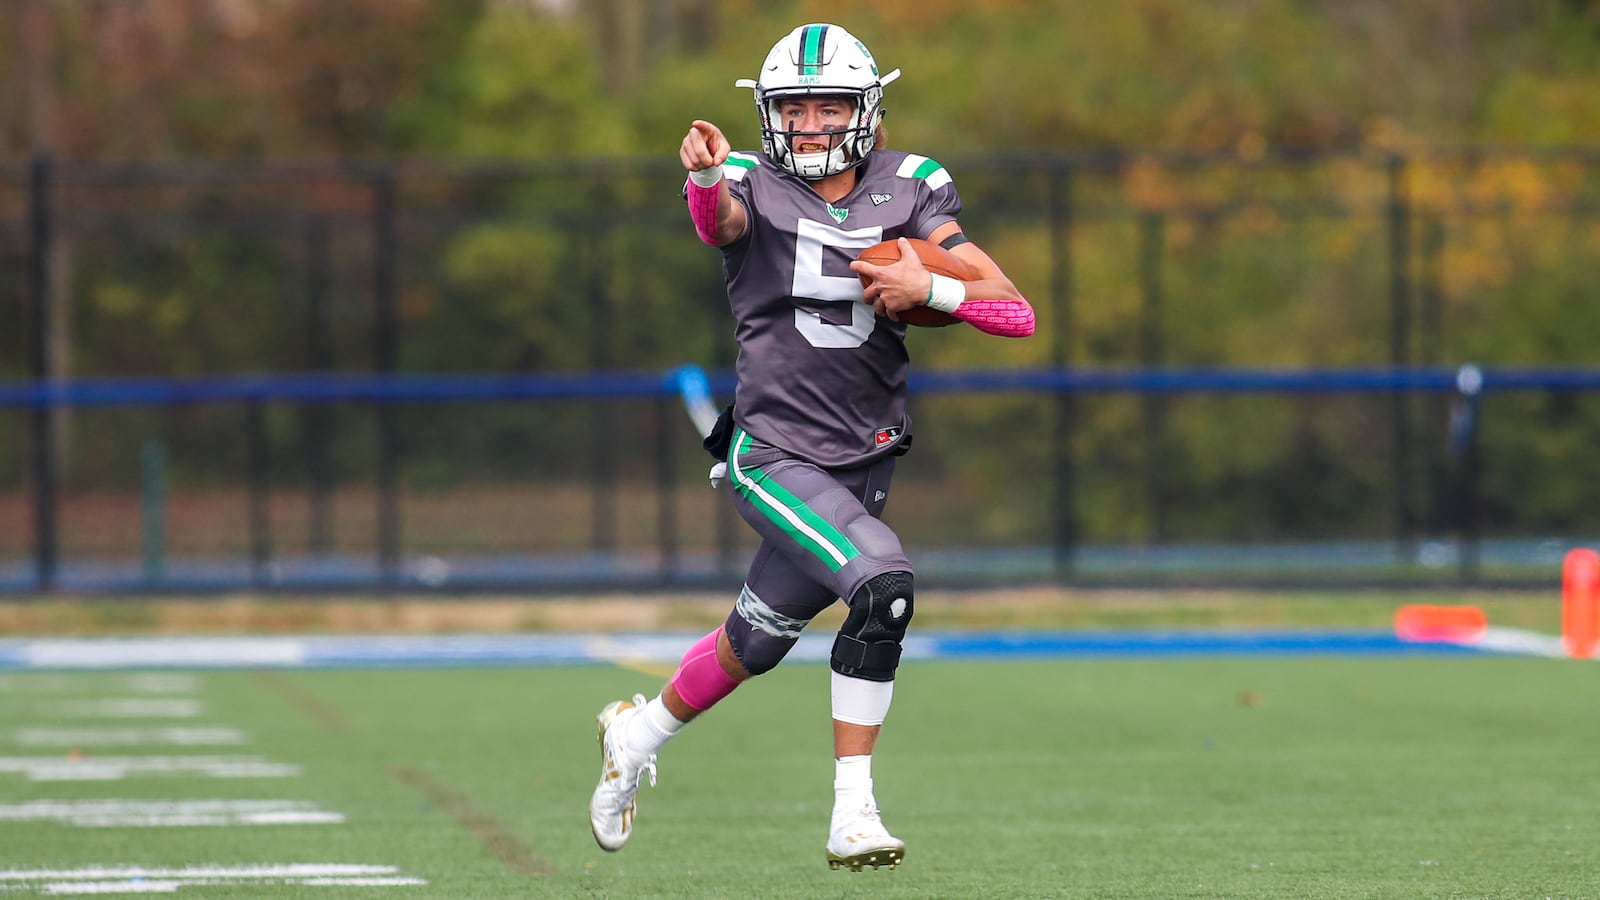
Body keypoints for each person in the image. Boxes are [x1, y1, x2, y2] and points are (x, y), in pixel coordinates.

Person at [588, 22, 1035, 872]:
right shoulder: (751, 183)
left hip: (862, 458)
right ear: (768, 115)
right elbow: (717, 223)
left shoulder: (913, 188)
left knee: (754, 642)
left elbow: (1014, 310)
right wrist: (707, 176)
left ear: (867, 109)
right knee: (884, 583)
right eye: (795, 107)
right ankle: (853, 814)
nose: (813, 123)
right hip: (776, 455)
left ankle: (633, 734)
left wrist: (927, 283)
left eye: (831, 104)